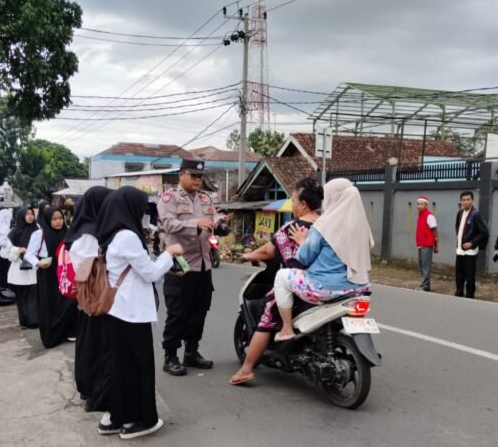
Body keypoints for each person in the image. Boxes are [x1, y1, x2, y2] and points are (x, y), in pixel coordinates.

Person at [94, 186, 183, 439]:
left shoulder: (111, 234)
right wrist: (169, 253)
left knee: (122, 367)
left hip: (118, 311)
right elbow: (150, 273)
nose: (143, 213)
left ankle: (119, 416)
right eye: (141, 208)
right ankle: (139, 420)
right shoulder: (127, 237)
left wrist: (164, 265)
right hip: (131, 313)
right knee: (138, 367)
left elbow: (138, 270)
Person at [231, 177, 323, 385]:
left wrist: (247, 256)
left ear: (303, 204)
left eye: (293, 200)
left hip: (298, 286)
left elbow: (267, 251)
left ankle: (246, 369)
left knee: (267, 316)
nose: (292, 204)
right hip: (327, 285)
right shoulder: (327, 225)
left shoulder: (292, 228)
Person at [273, 179, 373, 342]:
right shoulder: (362, 228)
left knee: (281, 277)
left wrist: (302, 241)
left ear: (334, 198)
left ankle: (286, 328)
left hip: (325, 287)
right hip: (360, 288)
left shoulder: (324, 225)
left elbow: (304, 258)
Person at [157, 158, 227, 376]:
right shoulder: (169, 198)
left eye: (200, 176)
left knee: (199, 310)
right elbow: (168, 224)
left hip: (203, 265)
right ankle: (170, 357)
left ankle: (191, 352)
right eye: (193, 176)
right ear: (181, 174)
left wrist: (220, 220)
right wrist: (194, 223)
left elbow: (212, 217)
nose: (198, 180)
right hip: (180, 264)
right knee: (177, 312)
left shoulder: (206, 198)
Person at [65, 187, 114, 409]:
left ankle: (89, 387)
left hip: (88, 299)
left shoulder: (83, 229)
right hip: (96, 297)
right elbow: (90, 268)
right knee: (96, 344)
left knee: (89, 343)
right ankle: (95, 390)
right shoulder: (90, 234)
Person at [27, 206, 78, 348]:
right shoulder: (39, 234)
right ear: (48, 220)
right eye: (54, 219)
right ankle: (51, 336)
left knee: (67, 301)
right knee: (49, 304)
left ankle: (68, 331)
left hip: (64, 272)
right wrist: (37, 263)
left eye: (60, 218)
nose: (58, 222)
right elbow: (29, 254)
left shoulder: (67, 233)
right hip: (47, 271)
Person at [6, 206, 40, 329]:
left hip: (34, 268)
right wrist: (18, 250)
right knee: (22, 297)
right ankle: (24, 321)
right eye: (27, 214)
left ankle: (34, 320)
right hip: (19, 269)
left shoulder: (37, 230)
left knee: (33, 295)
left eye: (31, 214)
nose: (30, 216)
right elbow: (7, 252)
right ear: (21, 216)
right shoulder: (15, 232)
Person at [454, 191, 489, 298]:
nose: (466, 202)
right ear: (461, 201)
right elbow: (457, 226)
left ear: (472, 200)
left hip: (470, 252)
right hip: (460, 250)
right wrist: (459, 237)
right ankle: (459, 292)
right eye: (463, 200)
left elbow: (484, 232)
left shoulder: (475, 215)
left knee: (469, 275)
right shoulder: (460, 213)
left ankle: (470, 294)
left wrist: (472, 243)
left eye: (468, 200)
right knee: (459, 274)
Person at [415, 196, 439, 292]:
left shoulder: (429, 216)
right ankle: (426, 284)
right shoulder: (420, 215)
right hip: (420, 244)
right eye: (418, 204)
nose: (419, 206)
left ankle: (425, 286)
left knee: (425, 265)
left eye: (422, 204)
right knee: (421, 264)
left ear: (426, 205)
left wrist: (436, 244)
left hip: (427, 244)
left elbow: (435, 230)